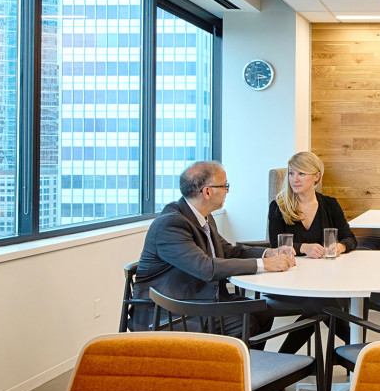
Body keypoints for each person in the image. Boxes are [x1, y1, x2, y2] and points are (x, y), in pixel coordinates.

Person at [131, 161, 295, 336]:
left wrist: (269, 253)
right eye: (225, 186)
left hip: (201, 301)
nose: (227, 191)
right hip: (171, 312)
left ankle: (245, 355)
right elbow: (205, 268)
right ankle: (232, 355)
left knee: (264, 312)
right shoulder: (170, 224)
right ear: (207, 192)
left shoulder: (203, 218)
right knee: (246, 324)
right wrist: (264, 264)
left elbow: (229, 252)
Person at [267, 151, 358, 354]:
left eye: (301, 173)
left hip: (325, 281)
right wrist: (303, 248)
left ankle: (284, 358)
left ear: (316, 176)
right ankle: (361, 348)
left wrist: (340, 247)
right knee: (322, 304)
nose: (294, 179)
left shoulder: (330, 205)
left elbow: (350, 238)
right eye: (291, 173)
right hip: (289, 282)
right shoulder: (278, 207)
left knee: (319, 305)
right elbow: (275, 246)